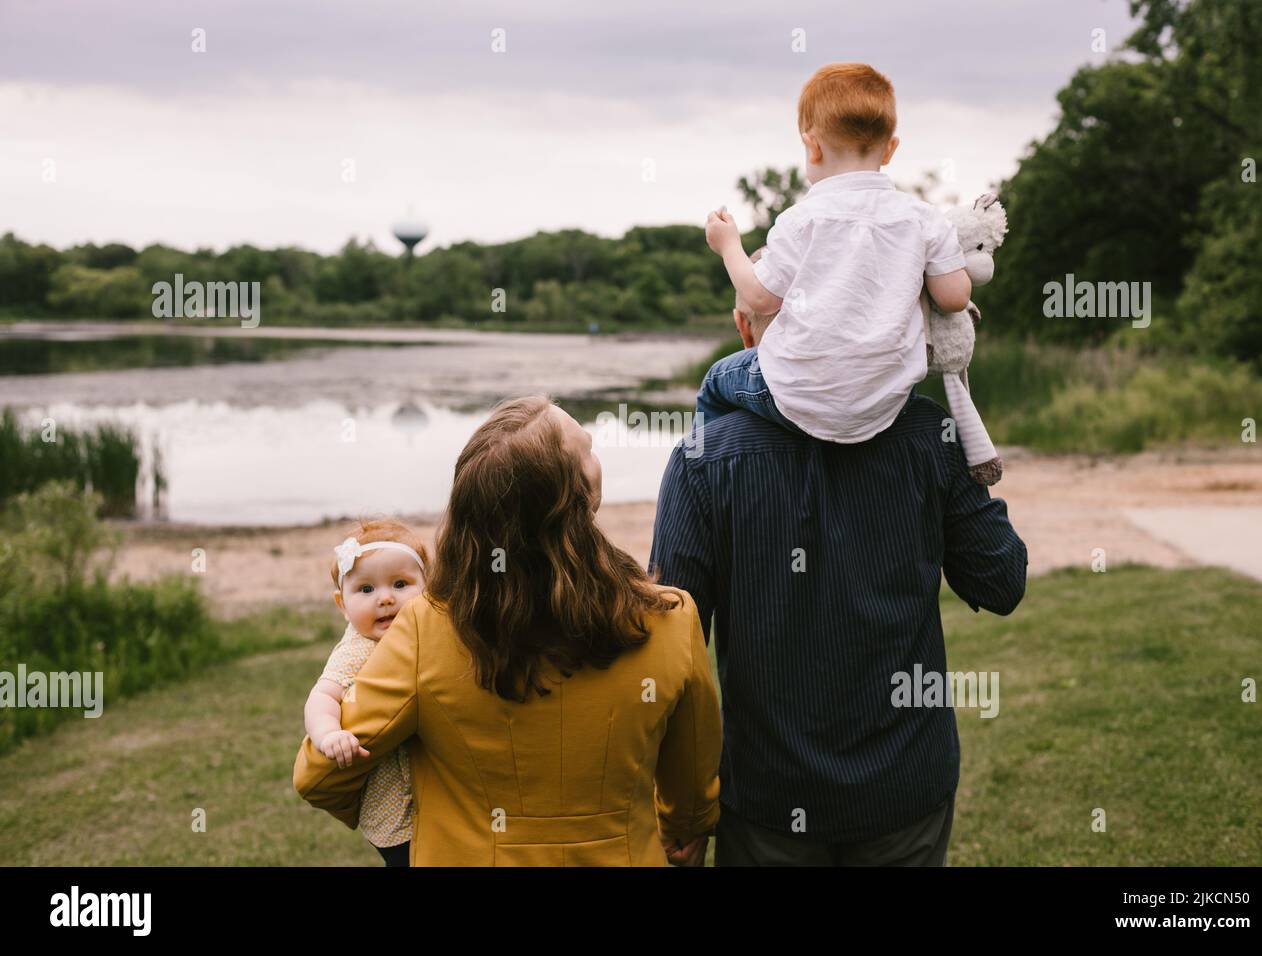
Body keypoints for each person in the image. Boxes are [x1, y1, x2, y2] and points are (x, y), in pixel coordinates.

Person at [649, 269, 1028, 865]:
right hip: (903, 785)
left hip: (768, 794)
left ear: (744, 328)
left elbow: (670, 646)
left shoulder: (703, 458)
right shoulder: (931, 436)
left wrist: (680, 807)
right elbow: (1001, 580)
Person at [294, 396, 723, 866]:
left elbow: (320, 774)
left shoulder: (425, 629)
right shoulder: (670, 620)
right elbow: (691, 785)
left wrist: (405, 830)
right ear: (578, 496)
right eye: (587, 448)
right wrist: (683, 828)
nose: (596, 450)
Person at [698, 61, 973, 443]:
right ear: (890, 149)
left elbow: (759, 299)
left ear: (812, 147)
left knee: (716, 381)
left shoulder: (800, 221)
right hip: (886, 401)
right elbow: (955, 297)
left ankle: (719, 465)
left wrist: (729, 246)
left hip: (797, 396)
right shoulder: (923, 219)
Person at [302, 517, 429, 867]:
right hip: (394, 811)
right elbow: (322, 696)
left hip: (431, 798)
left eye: (400, 584)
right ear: (342, 604)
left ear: (427, 587)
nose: (386, 599)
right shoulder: (358, 649)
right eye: (366, 590)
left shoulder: (423, 633)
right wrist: (329, 733)